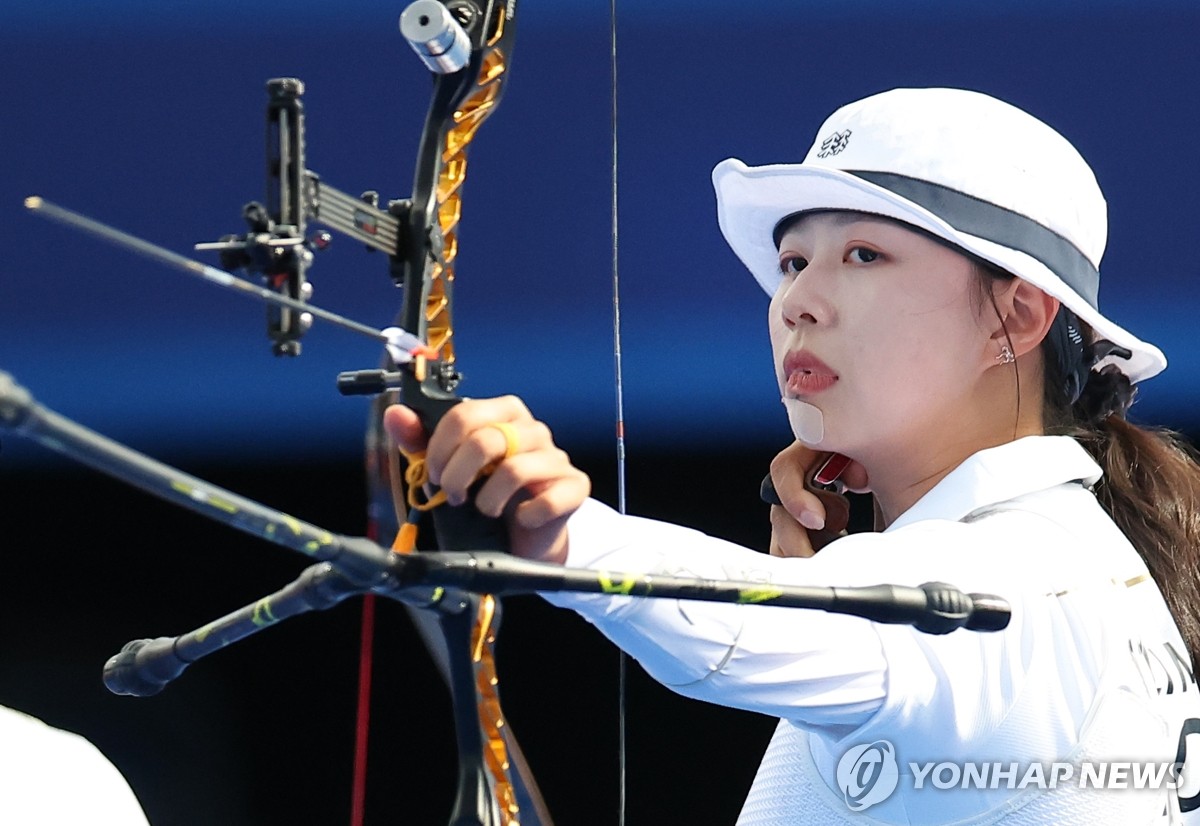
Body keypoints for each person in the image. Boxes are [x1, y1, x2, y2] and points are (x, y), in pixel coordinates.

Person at [384, 87, 1200, 823]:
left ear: (1016, 317)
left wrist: (564, 538)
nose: (797, 303)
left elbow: (751, 628)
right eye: (792, 263)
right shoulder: (1069, 555)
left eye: (864, 255)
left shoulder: (1024, 575)